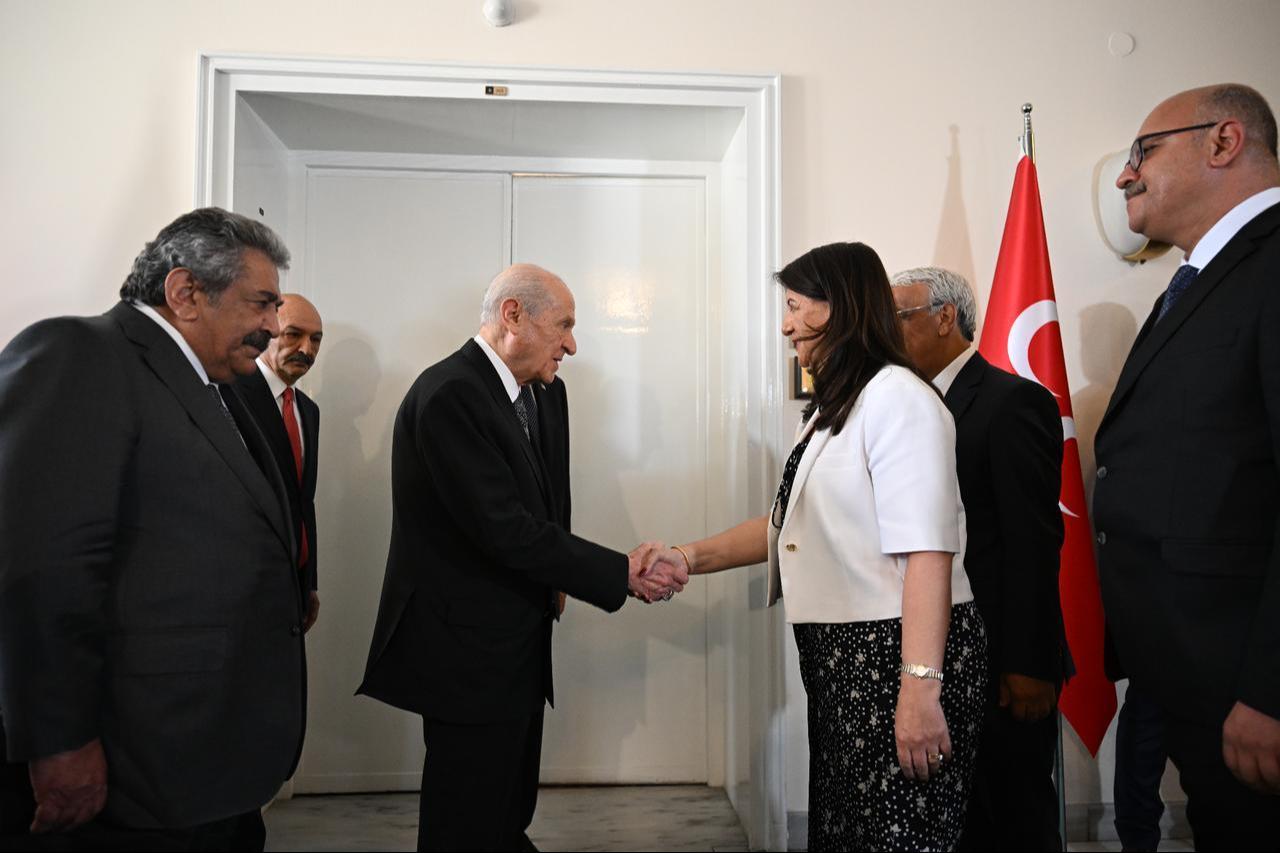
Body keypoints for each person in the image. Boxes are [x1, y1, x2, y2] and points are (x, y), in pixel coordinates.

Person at [648, 242, 986, 852]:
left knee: (897, 834)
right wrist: (687, 558)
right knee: (849, 831)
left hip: (891, 658)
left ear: (844, 308)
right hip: (846, 662)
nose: (785, 324)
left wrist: (919, 689)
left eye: (797, 305)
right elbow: (786, 526)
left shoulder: (900, 400)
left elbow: (929, 555)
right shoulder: (834, 408)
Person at [0, 208, 305, 850]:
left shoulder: (235, 387)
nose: (273, 327)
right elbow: (43, 572)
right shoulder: (79, 356)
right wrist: (58, 741)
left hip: (218, 756)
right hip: (136, 763)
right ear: (185, 292)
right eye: (262, 303)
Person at [358, 263, 687, 852]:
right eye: (563, 325)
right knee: (465, 822)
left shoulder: (544, 392)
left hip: (517, 642)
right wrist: (618, 573)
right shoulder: (449, 394)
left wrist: (557, 577)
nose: (571, 343)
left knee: (506, 812)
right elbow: (504, 528)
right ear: (513, 315)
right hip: (465, 653)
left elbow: (547, 505)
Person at [1096, 82, 1280, 848]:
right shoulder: (1200, 282)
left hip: (1244, 680)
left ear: (1223, 142)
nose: (1123, 175)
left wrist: (1272, 692)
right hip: (1188, 670)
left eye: (1143, 151)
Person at [890, 266, 1069, 851]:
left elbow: (1033, 542)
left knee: (1014, 816)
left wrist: (1029, 663)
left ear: (945, 317)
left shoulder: (1011, 403)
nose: (887, 333)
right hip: (942, 656)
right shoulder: (905, 405)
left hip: (1003, 661)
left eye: (899, 317)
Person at [236, 293, 324, 632]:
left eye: (316, 339)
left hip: (293, 585)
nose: (307, 349)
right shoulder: (230, 395)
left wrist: (309, 580)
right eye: (293, 334)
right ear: (267, 331)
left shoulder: (308, 411)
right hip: (246, 585)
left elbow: (304, 501)